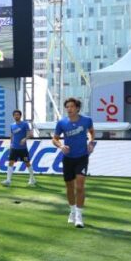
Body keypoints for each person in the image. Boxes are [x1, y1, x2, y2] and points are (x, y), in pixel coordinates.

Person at [52, 97, 95, 228]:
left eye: (71, 106)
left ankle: (79, 216)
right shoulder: (62, 123)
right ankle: (72, 211)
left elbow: (92, 132)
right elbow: (55, 139)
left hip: (82, 157)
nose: (69, 109)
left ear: (77, 108)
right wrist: (60, 146)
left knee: (80, 186)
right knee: (69, 187)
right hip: (68, 158)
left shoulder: (87, 120)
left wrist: (91, 142)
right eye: (67, 107)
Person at [2, 110, 36, 187]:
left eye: (18, 115)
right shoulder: (12, 125)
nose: (16, 116)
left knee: (27, 163)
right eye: (15, 115)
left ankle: (32, 179)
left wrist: (25, 139)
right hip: (14, 148)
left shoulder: (25, 124)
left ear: (20, 116)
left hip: (23, 149)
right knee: (11, 162)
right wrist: (11, 144)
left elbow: (30, 134)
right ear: (13, 116)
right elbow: (12, 135)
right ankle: (8, 180)